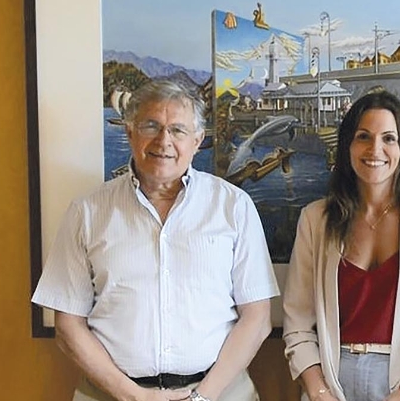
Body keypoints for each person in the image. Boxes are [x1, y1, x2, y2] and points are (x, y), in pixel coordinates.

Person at [32, 79, 279, 401]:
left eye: (178, 130)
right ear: (130, 133)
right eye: (151, 126)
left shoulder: (233, 206)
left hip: (220, 393)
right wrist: (132, 395)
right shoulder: (87, 212)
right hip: (109, 393)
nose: (164, 140)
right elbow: (67, 323)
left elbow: (257, 318)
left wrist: (202, 397)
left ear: (197, 140)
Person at [283, 90, 400, 401]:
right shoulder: (315, 219)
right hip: (331, 382)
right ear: (347, 147)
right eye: (363, 136)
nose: (375, 149)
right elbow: (297, 322)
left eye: (389, 138)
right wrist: (318, 392)